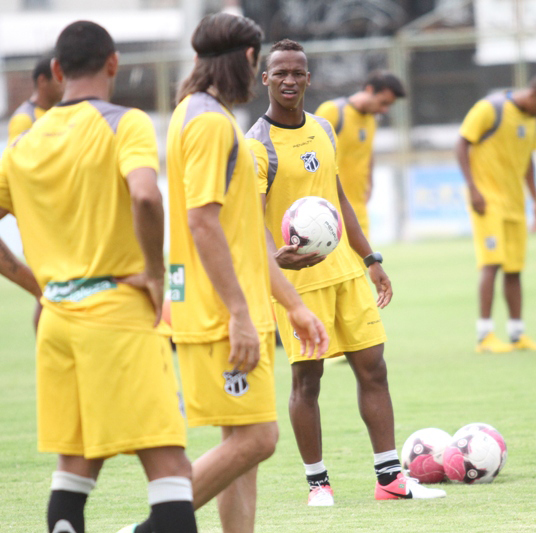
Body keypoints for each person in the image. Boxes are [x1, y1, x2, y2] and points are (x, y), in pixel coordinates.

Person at [123, 14, 328, 533]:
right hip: (220, 314)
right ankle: (148, 529)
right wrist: (239, 312)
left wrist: (293, 304)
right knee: (258, 439)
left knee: (242, 448)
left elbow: (246, 233)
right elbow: (202, 223)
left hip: (230, 307)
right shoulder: (211, 123)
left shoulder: (195, 112)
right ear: (248, 60)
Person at [0, 21, 197, 533]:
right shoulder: (123, 122)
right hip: (115, 314)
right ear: (113, 64)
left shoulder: (22, 145)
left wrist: (37, 286)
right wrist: (155, 275)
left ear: (58, 70)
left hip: (57, 321)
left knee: (74, 468)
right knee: (171, 472)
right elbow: (147, 196)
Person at [246, 38, 445, 506]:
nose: (290, 80)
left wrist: (371, 259)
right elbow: (249, 223)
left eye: (298, 73)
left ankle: (390, 479)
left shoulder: (322, 129)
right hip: (297, 284)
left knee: (374, 370)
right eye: (281, 73)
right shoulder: (256, 145)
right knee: (307, 381)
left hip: (347, 275)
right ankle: (318, 483)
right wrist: (276, 258)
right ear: (265, 79)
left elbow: (337, 200)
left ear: (308, 78)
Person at [456, 73, 536, 353]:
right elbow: (461, 143)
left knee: (515, 268)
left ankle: (516, 333)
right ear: (535, 97)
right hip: (487, 202)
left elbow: (526, 162)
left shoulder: (532, 120)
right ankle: (484, 335)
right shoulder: (491, 109)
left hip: (514, 205)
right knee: (492, 264)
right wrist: (473, 189)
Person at [314, 71, 406, 239]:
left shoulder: (371, 120)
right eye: (383, 102)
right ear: (369, 90)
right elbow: (311, 152)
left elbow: (367, 152)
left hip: (358, 209)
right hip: (329, 210)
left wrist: (370, 183)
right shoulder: (332, 112)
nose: (384, 110)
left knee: (364, 263)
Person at [8, 52, 63, 140]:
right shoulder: (24, 119)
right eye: (58, 78)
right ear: (42, 81)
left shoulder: (58, 112)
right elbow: (15, 153)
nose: (63, 84)